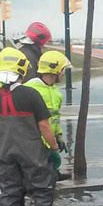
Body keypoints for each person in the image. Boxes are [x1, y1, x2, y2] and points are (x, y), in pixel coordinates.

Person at [0, 47, 59, 206]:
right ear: (22, 70)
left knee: (9, 193)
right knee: (42, 191)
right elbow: (44, 126)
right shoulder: (31, 95)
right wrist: (54, 148)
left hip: (4, 154)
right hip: (33, 154)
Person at [24, 50, 73, 181]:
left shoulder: (56, 93)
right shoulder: (29, 89)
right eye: (62, 70)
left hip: (49, 142)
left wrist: (59, 136)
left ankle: (53, 176)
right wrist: (53, 146)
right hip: (34, 143)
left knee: (47, 176)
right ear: (55, 70)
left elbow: (55, 119)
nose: (63, 74)